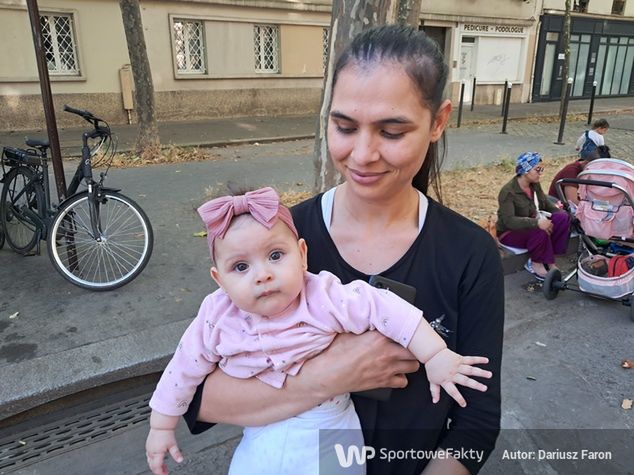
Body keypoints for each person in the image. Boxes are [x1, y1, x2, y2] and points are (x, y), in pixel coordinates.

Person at [183, 25, 504, 475]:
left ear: (438, 121)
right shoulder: (272, 246)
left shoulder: (470, 254)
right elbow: (197, 398)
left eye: (392, 131)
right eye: (345, 126)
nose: (363, 154)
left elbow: (476, 420)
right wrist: (328, 377)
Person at [145, 187, 492, 475]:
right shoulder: (216, 316)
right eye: (240, 266)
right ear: (219, 280)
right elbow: (183, 369)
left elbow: (384, 307)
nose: (262, 274)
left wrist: (434, 353)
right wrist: (161, 425)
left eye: (276, 256)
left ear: (302, 255)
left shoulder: (322, 296)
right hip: (262, 430)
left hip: (331, 425)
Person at [497, 152, 571, 280]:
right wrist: (536, 223)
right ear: (525, 171)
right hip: (509, 232)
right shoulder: (508, 192)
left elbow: (545, 204)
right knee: (539, 230)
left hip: (530, 224)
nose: (541, 172)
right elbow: (509, 221)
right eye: (537, 169)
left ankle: (550, 257)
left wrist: (560, 213)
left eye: (541, 169)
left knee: (563, 218)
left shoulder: (534, 185)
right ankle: (535, 262)